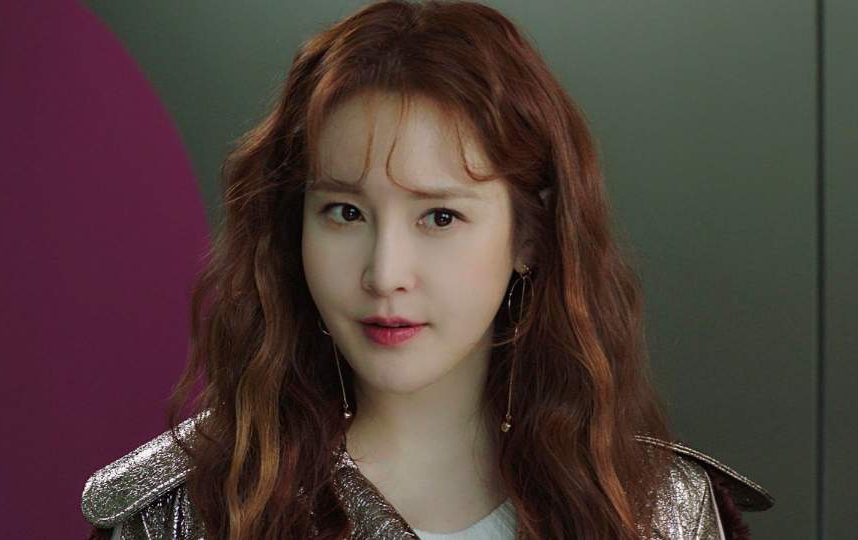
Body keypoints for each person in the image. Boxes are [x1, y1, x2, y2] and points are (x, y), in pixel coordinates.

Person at [81, 1, 774, 538]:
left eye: (440, 216)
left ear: (529, 237)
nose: (386, 274)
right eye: (345, 213)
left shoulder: (660, 511)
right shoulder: (187, 514)